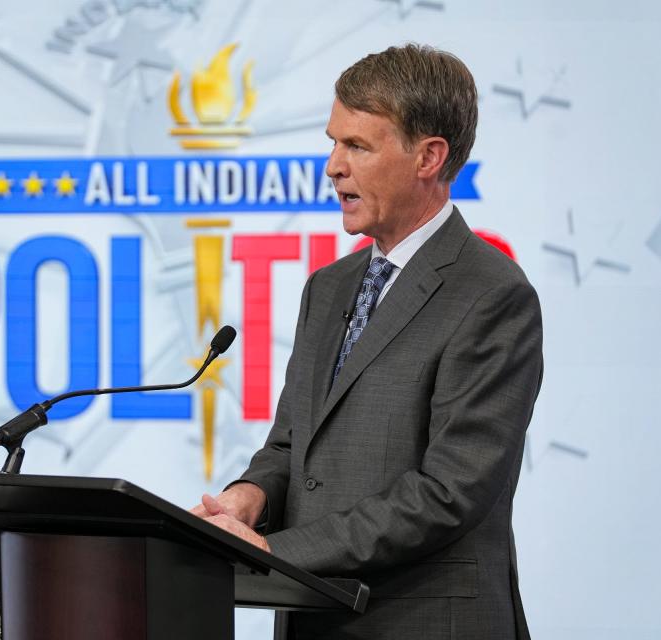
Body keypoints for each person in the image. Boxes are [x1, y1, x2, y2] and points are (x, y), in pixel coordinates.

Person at [190, 44, 543, 640]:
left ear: (429, 156)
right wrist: (248, 497)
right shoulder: (328, 288)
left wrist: (274, 549)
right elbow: (290, 444)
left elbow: (447, 493)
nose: (332, 166)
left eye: (357, 146)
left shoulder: (491, 294)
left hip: (427, 624)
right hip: (315, 619)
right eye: (333, 142)